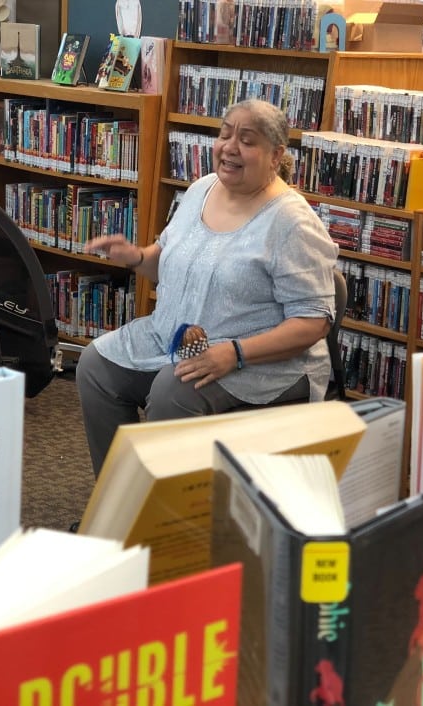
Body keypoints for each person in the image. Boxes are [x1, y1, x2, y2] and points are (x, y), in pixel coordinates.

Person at [75, 99, 339, 476]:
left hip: (257, 361)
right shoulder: (201, 189)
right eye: (225, 133)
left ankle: (174, 520)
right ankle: (122, 498)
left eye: (247, 140)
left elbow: (313, 322)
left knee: (173, 391)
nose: (230, 147)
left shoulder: (292, 223)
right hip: (176, 339)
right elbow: (169, 261)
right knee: (96, 366)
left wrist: (234, 354)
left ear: (276, 154)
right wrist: (136, 257)